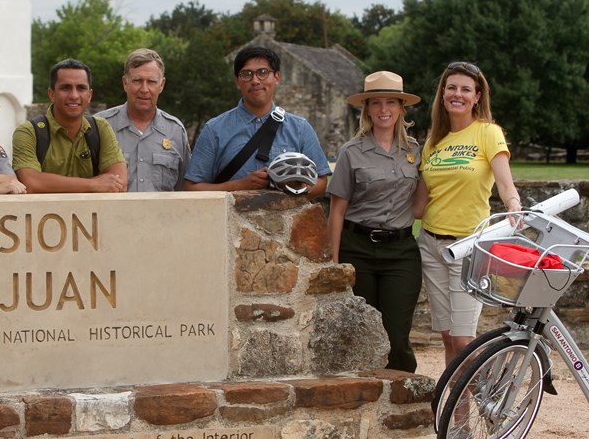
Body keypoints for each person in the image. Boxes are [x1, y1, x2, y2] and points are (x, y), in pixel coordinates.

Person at [413, 61, 522, 369]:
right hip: (431, 246)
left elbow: (505, 184)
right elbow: (418, 205)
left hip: (468, 248)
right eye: (451, 88)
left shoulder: (488, 133)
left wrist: (514, 206)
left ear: (477, 97)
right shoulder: (434, 142)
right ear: (442, 93)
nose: (457, 94)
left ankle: (493, 400)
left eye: (465, 89)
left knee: (463, 340)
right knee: (447, 337)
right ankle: (457, 417)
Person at [326, 72, 422, 372]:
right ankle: (365, 402)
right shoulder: (350, 152)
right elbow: (337, 211)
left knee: (397, 334)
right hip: (358, 250)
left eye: (390, 102)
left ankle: (404, 402)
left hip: (401, 252)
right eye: (376, 103)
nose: (383, 109)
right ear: (366, 109)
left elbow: (421, 205)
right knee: (363, 333)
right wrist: (333, 262)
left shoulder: (415, 152)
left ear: (400, 108)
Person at [184, 46, 330, 195]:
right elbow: (192, 188)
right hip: (231, 218)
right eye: (247, 74)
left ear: (277, 77)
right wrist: (240, 185)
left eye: (263, 73)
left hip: (287, 218)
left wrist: (292, 189)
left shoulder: (300, 128)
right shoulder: (214, 130)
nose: (255, 80)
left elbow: (320, 181)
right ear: (237, 81)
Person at [11, 58, 127, 193]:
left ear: (89, 95)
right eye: (65, 88)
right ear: (52, 94)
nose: (74, 95)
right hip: (45, 214)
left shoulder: (101, 128)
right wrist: (92, 184)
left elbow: (120, 183)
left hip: (92, 214)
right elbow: (30, 183)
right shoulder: (28, 132)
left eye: (81, 88)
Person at [95, 49, 190, 192]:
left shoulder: (175, 130)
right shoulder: (99, 126)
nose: (144, 89)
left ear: (162, 85)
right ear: (125, 83)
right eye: (137, 81)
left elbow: (185, 189)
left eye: (151, 82)